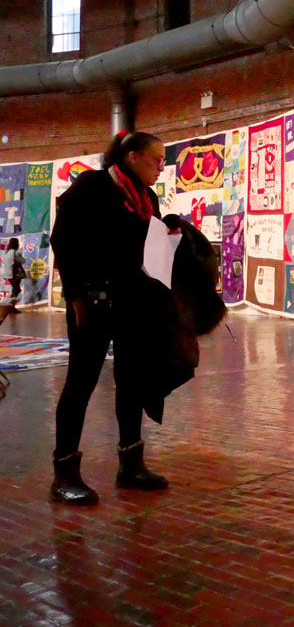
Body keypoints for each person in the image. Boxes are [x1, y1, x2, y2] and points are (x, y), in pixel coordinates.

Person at [48, 130, 169, 506]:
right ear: (131, 157)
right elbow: (63, 240)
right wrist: (76, 298)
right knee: (80, 384)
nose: (161, 168)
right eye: (155, 160)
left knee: (132, 381)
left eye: (163, 161)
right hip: (94, 300)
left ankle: (130, 464)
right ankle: (64, 474)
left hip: (134, 302)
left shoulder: (147, 197)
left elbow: (151, 249)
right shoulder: (94, 185)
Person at [0, 236, 26, 324]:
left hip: (7, 274)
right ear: (16, 244)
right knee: (16, 290)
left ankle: (10, 307)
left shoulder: (5, 252)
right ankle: (9, 306)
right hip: (14, 274)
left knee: (15, 289)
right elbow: (23, 261)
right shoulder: (15, 252)